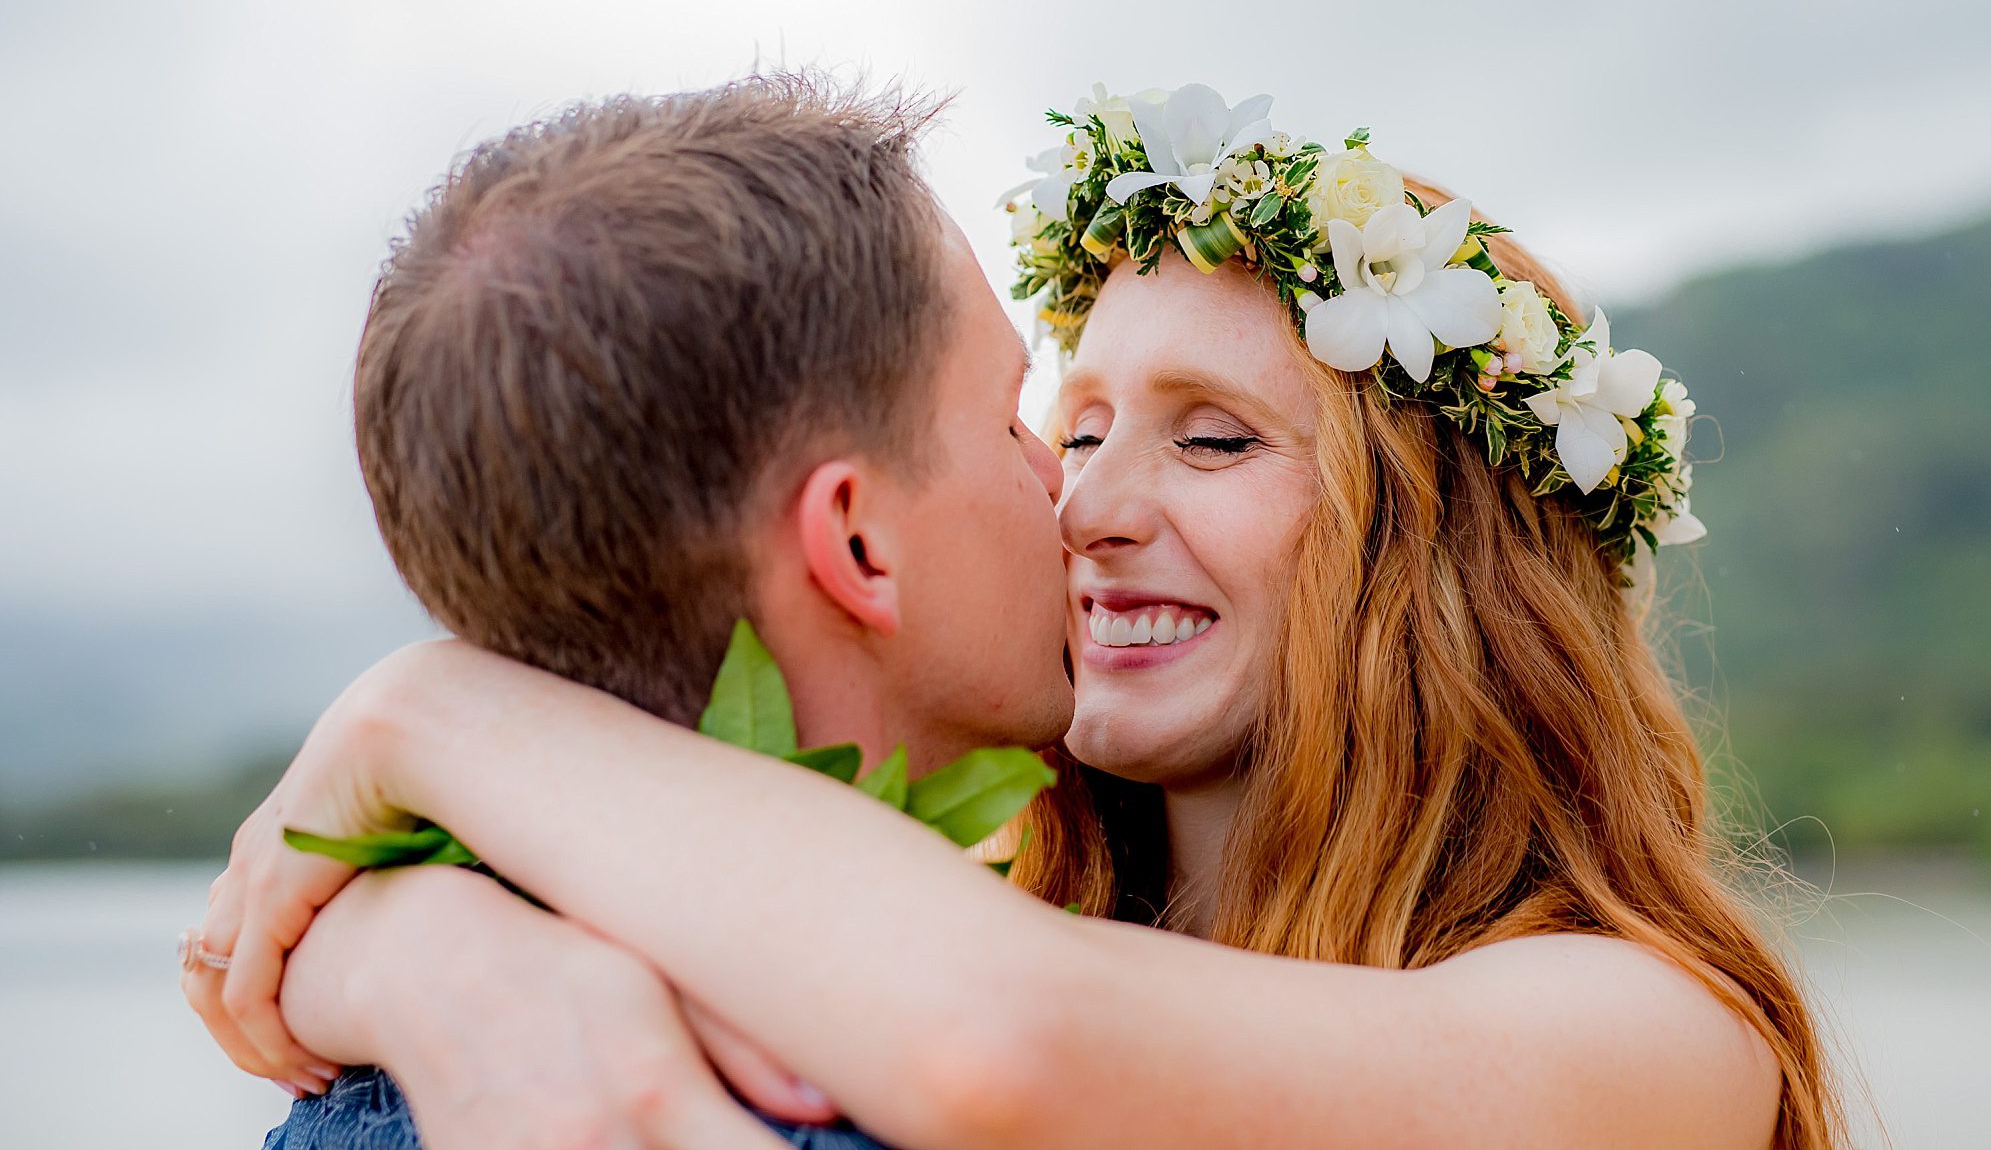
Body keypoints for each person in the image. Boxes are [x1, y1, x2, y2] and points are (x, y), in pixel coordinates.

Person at [194, 82, 1847, 1148]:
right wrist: (432, 948)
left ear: (1439, 556)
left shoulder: (1649, 1036)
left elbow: (1005, 1028)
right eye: (1062, 427)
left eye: (1213, 437)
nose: (1086, 501)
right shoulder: (889, 937)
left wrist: (434, 709)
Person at [185, 75, 1073, 1148]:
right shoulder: (897, 1100)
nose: (1059, 473)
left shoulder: (356, 1089)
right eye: (1007, 417)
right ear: (854, 542)